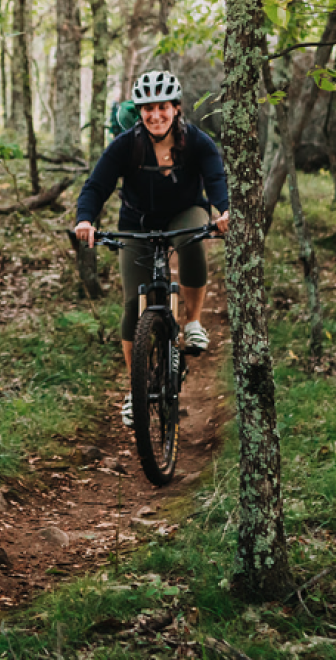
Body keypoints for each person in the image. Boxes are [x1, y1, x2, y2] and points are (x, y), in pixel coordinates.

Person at [72, 70, 231, 427]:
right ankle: (136, 391)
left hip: (184, 212)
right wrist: (85, 219)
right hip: (138, 223)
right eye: (147, 109)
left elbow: (215, 178)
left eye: (162, 108)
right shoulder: (127, 144)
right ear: (139, 112)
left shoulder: (197, 143)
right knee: (133, 303)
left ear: (176, 109)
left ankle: (191, 321)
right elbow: (97, 184)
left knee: (192, 243)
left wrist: (224, 211)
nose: (155, 115)